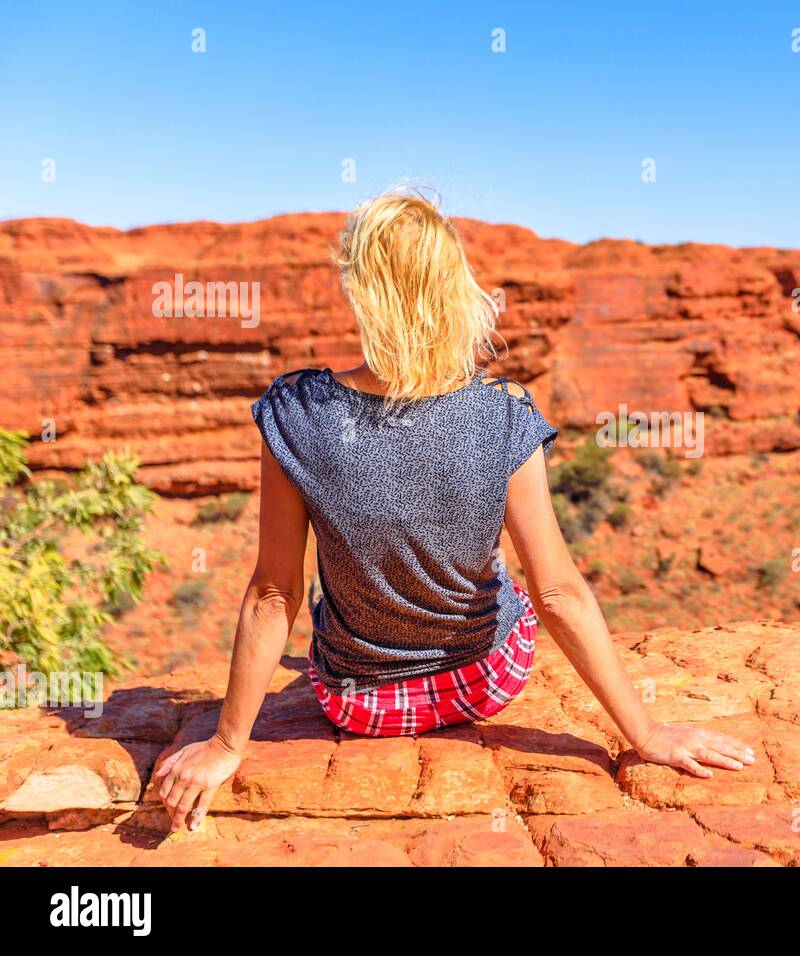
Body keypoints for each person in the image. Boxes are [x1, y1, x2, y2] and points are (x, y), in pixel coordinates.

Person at [152, 189, 754, 832]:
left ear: (361, 290)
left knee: (344, 594)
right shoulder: (503, 414)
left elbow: (275, 595)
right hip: (488, 680)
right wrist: (648, 733)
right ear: (453, 286)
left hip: (360, 708)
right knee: (510, 582)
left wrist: (225, 746)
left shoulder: (298, 413)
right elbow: (557, 593)